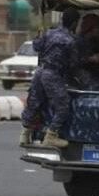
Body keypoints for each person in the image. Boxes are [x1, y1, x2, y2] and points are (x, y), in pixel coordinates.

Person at [19, 8, 80, 148]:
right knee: (63, 105)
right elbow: (73, 64)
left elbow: (36, 46)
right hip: (53, 74)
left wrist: (39, 36)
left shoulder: (49, 33)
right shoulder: (70, 40)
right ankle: (51, 135)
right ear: (74, 23)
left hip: (40, 71)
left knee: (34, 102)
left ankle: (25, 134)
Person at [72, 14, 99, 91]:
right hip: (83, 76)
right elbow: (76, 61)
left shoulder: (97, 41)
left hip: (97, 74)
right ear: (91, 28)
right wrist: (93, 58)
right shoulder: (78, 42)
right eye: (98, 27)